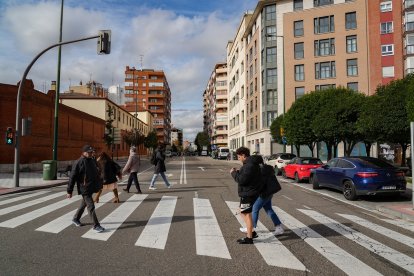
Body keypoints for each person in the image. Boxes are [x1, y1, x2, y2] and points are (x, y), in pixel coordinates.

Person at [239, 155, 284, 236]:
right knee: (269, 209)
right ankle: (279, 227)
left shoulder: (261, 170)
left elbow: (259, 184)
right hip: (269, 193)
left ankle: (251, 228)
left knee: (255, 209)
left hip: (263, 193)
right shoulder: (266, 168)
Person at [67, 145, 105, 233]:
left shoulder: (91, 160)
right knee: (91, 206)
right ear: (84, 152)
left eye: (92, 152)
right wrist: (69, 191)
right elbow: (72, 177)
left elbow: (96, 172)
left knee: (83, 204)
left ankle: (76, 219)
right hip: (84, 188)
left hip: (91, 187)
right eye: (89, 152)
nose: (91, 153)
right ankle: (96, 225)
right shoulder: (78, 162)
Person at [230, 147, 262, 244]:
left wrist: (233, 173)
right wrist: (240, 171)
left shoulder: (249, 165)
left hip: (248, 193)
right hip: (250, 192)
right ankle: (252, 232)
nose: (238, 158)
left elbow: (242, 180)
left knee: (246, 214)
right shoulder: (250, 164)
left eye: (239, 156)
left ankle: (249, 238)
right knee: (242, 211)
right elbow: (247, 177)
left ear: (244, 155)